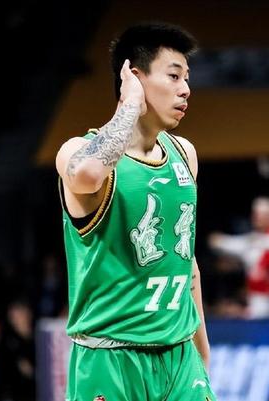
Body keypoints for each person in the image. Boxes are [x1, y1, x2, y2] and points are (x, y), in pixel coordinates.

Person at [55, 22, 216, 401]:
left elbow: (186, 262)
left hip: (180, 356)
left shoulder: (184, 153)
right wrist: (129, 105)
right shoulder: (78, 151)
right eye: (173, 76)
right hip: (110, 357)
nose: (185, 89)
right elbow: (89, 174)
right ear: (135, 77)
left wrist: (202, 348)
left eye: (186, 77)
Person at [209, 197, 269, 318]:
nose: (256, 218)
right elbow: (225, 244)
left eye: (260, 214)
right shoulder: (252, 240)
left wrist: (262, 243)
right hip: (260, 310)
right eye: (255, 214)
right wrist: (217, 240)